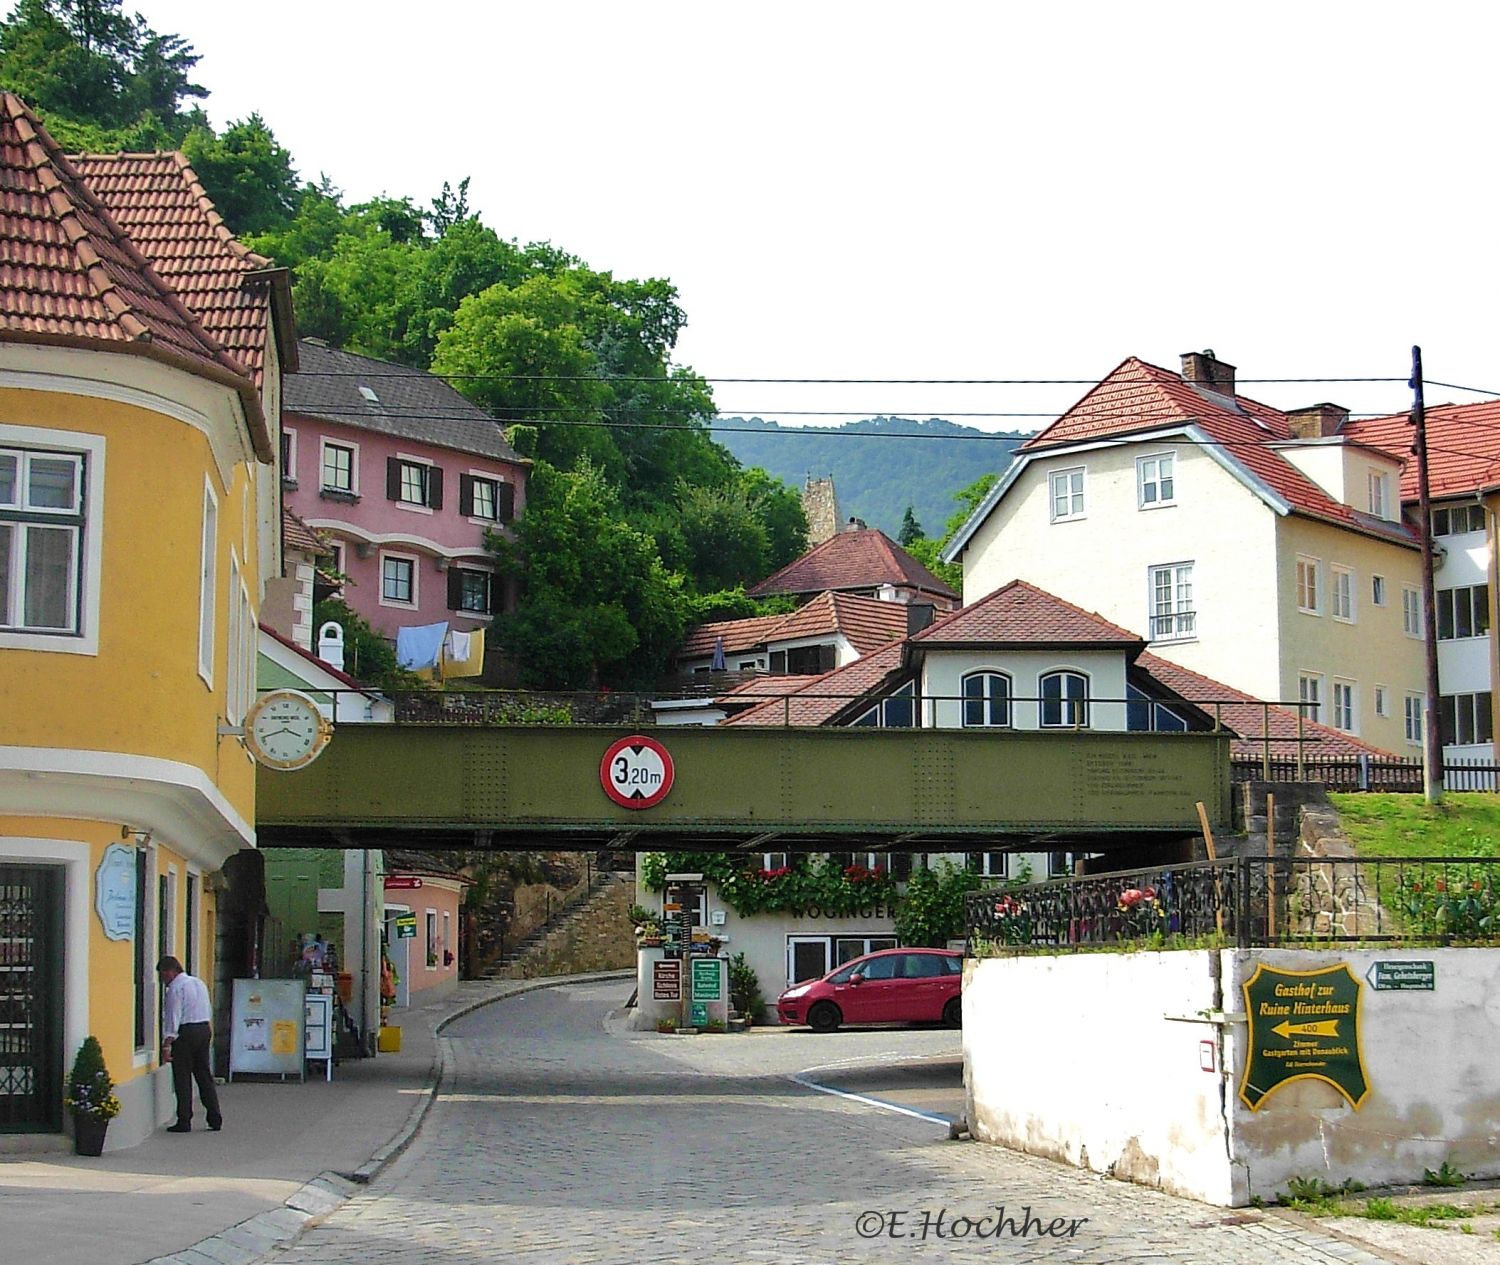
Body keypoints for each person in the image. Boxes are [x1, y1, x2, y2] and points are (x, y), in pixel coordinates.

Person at [156, 956, 223, 1133]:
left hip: (186, 1033)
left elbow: (173, 1017)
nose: (164, 981)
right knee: (203, 1074)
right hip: (203, 1028)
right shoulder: (198, 983)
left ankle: (184, 1120)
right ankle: (214, 1116)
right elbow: (207, 1009)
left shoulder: (175, 988)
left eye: (163, 976)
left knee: (183, 1077)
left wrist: (167, 1043)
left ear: (169, 971)